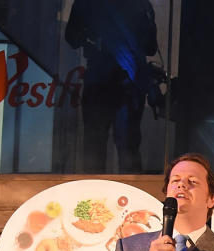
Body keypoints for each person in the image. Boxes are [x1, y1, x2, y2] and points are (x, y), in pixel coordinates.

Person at [65, 0, 160, 172]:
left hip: (105, 82)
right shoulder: (141, 5)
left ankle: (94, 196)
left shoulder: (86, 4)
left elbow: (72, 38)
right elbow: (150, 47)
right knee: (125, 149)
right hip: (124, 84)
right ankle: (124, 195)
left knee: (98, 148)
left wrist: (94, 36)